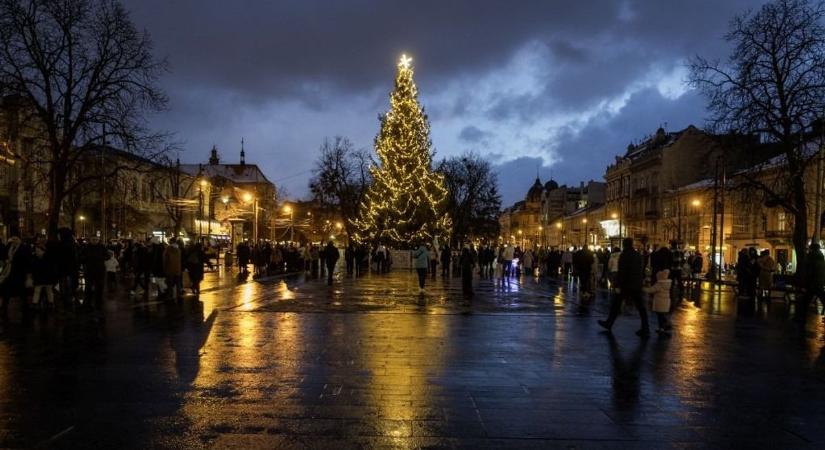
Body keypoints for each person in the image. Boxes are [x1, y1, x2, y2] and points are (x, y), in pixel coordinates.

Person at [598, 237, 650, 337]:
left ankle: (609, 323)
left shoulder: (624, 255)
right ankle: (645, 327)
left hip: (626, 284)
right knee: (641, 307)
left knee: (616, 304)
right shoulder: (638, 255)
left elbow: (622, 271)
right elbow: (641, 269)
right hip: (636, 284)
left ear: (624, 244)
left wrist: (617, 284)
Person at [81, 235, 107, 310]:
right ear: (90, 240)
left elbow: (107, 256)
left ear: (98, 240)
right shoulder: (86, 247)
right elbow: (81, 256)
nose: (95, 241)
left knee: (99, 286)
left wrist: (101, 258)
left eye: (96, 239)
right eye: (93, 239)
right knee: (88, 287)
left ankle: (98, 301)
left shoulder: (102, 247)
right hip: (89, 270)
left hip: (99, 270)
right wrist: (86, 259)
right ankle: (88, 302)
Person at [644, 269, 672, 334]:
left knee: (660, 317)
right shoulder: (667, 284)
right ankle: (666, 325)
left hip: (660, 303)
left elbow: (651, 290)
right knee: (663, 316)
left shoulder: (659, 284)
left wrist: (643, 289)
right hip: (665, 303)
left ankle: (662, 328)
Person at [801, 243, 825, 319]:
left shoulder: (811, 257)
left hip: (813, 282)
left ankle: (801, 317)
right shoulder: (821, 257)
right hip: (819, 281)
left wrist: (807, 280)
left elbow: (810, 271)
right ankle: (800, 316)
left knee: (806, 300)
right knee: (821, 298)